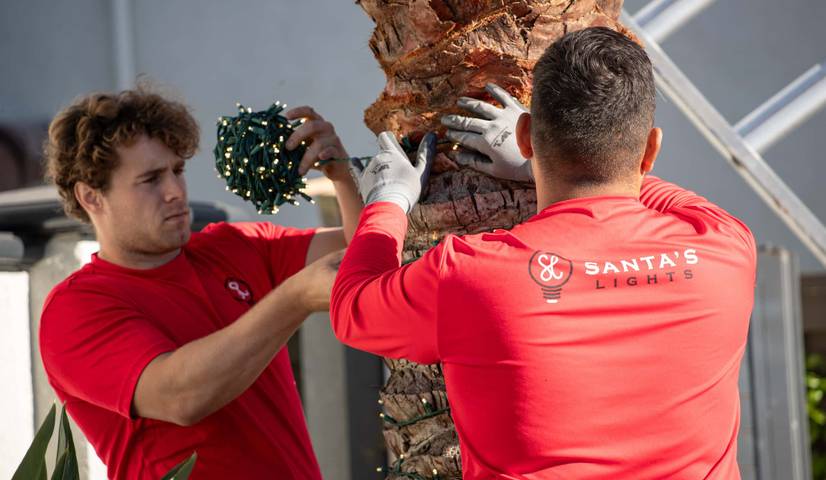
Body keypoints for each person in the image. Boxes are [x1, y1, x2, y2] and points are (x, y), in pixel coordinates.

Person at [331, 27, 756, 479]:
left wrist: (389, 200)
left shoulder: (470, 275)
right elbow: (654, 194)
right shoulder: (724, 248)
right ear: (651, 149)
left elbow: (351, 307)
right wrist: (535, 167)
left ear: (527, 135)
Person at [39, 88, 361, 479]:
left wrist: (344, 176)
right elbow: (182, 397)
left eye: (177, 170)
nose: (176, 191)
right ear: (91, 197)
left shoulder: (234, 245)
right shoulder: (76, 308)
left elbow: (364, 252)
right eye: (151, 179)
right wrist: (294, 299)